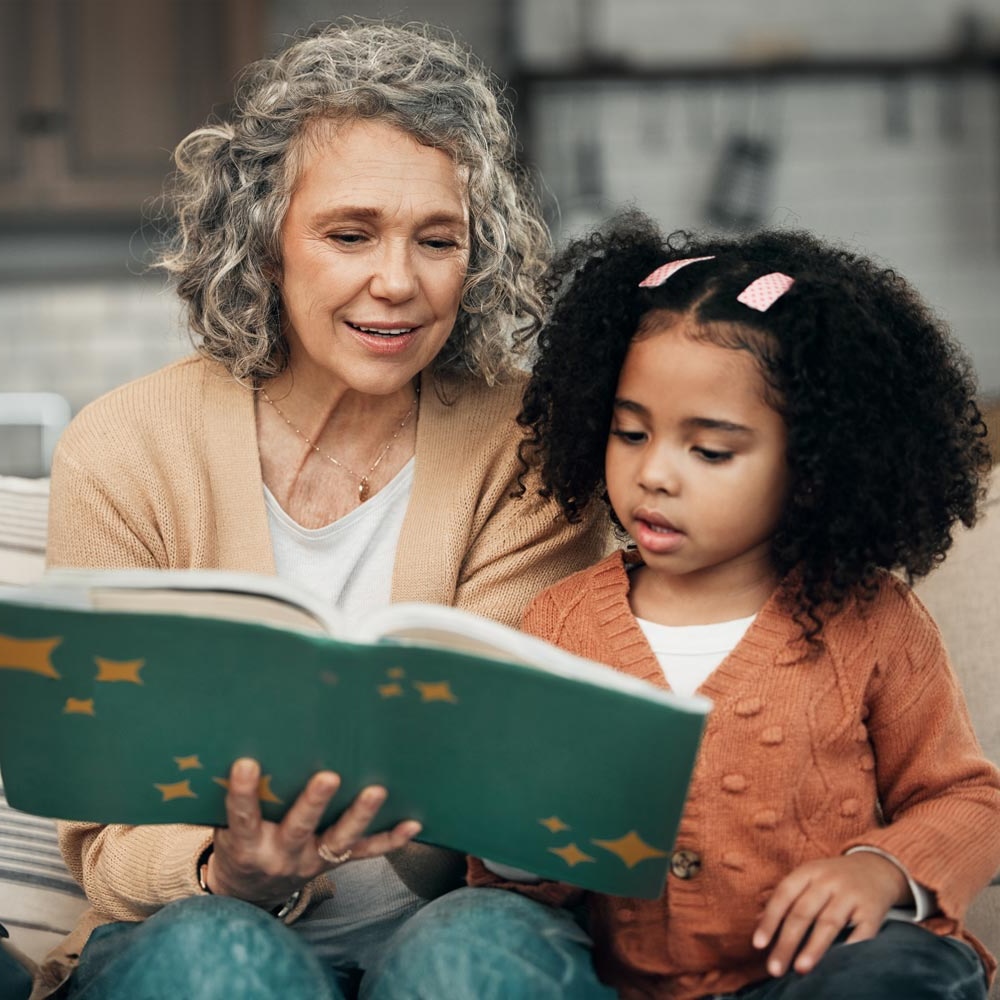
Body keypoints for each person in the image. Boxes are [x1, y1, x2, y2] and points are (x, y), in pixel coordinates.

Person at [36, 19, 610, 1000]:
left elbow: (498, 760)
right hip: (199, 928)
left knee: (472, 959)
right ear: (264, 246)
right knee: (216, 953)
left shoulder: (530, 441)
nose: (398, 281)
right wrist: (226, 868)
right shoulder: (125, 448)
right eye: (350, 234)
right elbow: (101, 828)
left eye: (438, 240)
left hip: (446, 917)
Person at [364, 211, 1000, 1000]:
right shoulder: (561, 624)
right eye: (631, 434)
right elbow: (533, 893)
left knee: (903, 972)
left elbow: (968, 799)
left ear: (812, 466)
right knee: (459, 944)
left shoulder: (871, 620)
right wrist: (515, 842)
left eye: (710, 450)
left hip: (814, 978)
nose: (656, 474)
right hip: (618, 982)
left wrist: (880, 872)